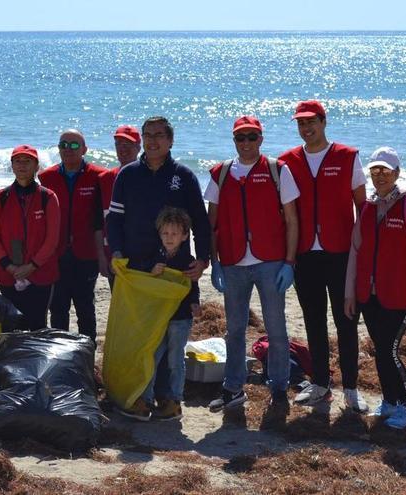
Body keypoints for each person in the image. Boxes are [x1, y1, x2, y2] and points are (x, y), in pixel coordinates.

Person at [278, 100, 369, 413]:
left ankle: (352, 389)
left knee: (347, 322)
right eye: (301, 123)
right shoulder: (287, 161)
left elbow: (363, 208)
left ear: (323, 121)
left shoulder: (347, 157)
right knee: (313, 321)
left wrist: (364, 251)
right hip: (306, 255)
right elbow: (283, 211)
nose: (306, 128)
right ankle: (320, 384)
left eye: (311, 122)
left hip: (341, 253)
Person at [206, 115, 300, 413]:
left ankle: (279, 388)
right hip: (233, 264)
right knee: (234, 329)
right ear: (234, 141)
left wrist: (289, 262)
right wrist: (214, 263)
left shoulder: (277, 170)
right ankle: (233, 388)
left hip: (270, 262)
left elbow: (292, 220)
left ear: (261, 139)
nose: (246, 143)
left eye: (251, 137)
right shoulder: (220, 173)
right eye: (240, 138)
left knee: (276, 329)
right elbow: (212, 223)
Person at [344, 147, 406, 429]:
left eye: (385, 170)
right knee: (380, 351)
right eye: (374, 171)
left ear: (396, 173)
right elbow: (355, 252)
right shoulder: (368, 209)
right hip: (368, 296)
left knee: (389, 351)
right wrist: (350, 293)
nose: (379, 176)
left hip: (399, 296)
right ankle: (390, 402)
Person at [120, 207, 201, 422]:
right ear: (159, 234)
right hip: (158, 317)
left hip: (180, 318)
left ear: (185, 236)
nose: (169, 238)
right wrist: (151, 270)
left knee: (175, 360)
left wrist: (195, 302)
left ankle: (174, 402)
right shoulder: (156, 256)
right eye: (165, 233)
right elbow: (144, 277)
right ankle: (145, 401)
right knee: (151, 357)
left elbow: (192, 284)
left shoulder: (187, 259)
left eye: (174, 234)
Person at [106, 116, 210, 281]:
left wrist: (202, 259)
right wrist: (116, 251)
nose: (152, 140)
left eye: (159, 135)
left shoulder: (184, 176)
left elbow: (200, 222)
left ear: (171, 141)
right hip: (134, 266)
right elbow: (114, 220)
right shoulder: (127, 175)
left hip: (174, 266)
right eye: (147, 135)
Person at [38, 130, 105, 340]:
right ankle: (60, 356)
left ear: (84, 149)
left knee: (85, 308)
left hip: (86, 253)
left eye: (74, 145)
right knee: (58, 308)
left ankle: (86, 354)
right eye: (63, 145)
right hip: (56, 255)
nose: (68, 149)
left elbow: (104, 218)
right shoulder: (46, 177)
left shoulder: (98, 176)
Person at [0, 145, 60, 331]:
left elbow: (52, 239)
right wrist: (9, 266)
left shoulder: (48, 197)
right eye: (17, 161)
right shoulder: (0, 198)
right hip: (8, 274)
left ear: (36, 166)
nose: (22, 165)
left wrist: (32, 266)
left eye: (28, 161)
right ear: (12, 166)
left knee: (37, 325)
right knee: (12, 326)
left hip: (40, 274)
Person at [99, 125, 141, 283]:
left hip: (143, 255)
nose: (122, 149)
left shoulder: (149, 177)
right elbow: (99, 222)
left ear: (138, 147)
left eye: (128, 144)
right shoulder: (104, 178)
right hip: (114, 255)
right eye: (118, 144)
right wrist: (102, 257)